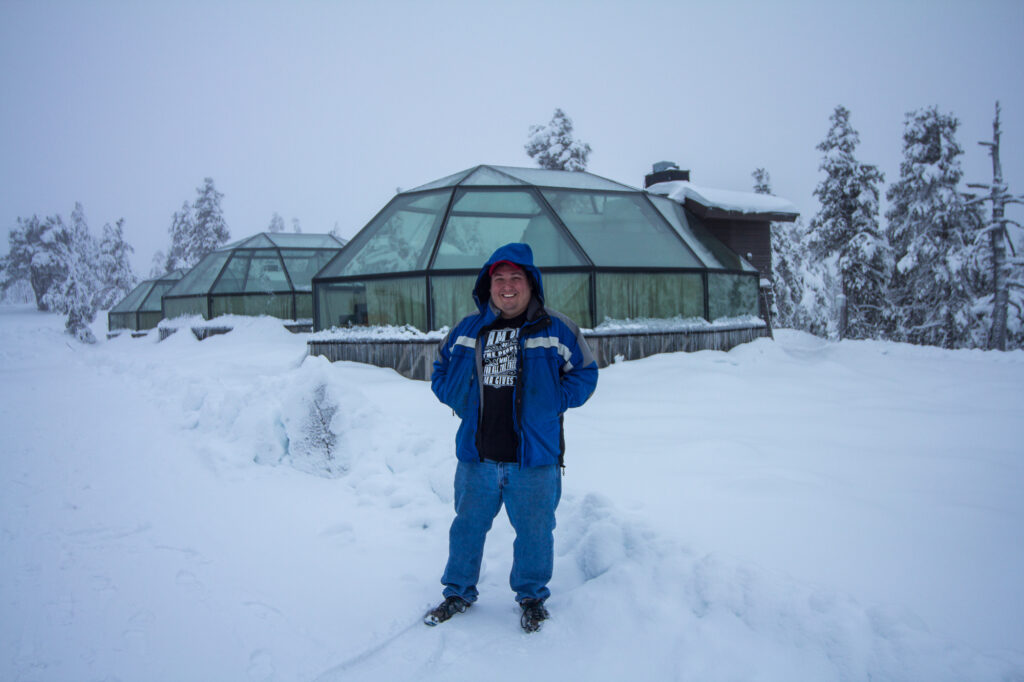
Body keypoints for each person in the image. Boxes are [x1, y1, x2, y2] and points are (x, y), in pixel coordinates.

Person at [425, 242, 598, 633]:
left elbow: (585, 373)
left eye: (515, 278)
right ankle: (458, 592)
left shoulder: (557, 329)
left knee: (535, 534)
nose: (507, 286)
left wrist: (553, 401)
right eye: (499, 278)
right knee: (467, 528)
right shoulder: (468, 329)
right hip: (477, 457)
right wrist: (456, 397)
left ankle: (532, 597)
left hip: (533, 460)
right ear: (488, 286)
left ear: (530, 283)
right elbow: (439, 366)